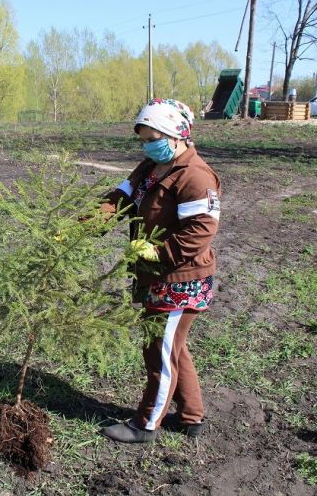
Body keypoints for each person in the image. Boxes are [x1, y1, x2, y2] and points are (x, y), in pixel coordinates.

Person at [100, 98, 221, 443]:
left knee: (159, 349)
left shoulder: (196, 176)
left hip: (182, 278)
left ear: (175, 135)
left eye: (152, 137)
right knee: (173, 346)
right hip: (157, 277)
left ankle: (145, 424)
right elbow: (119, 198)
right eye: (142, 138)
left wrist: (158, 251)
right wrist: (83, 225)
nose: (146, 144)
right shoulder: (150, 167)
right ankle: (191, 415)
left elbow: (201, 229)